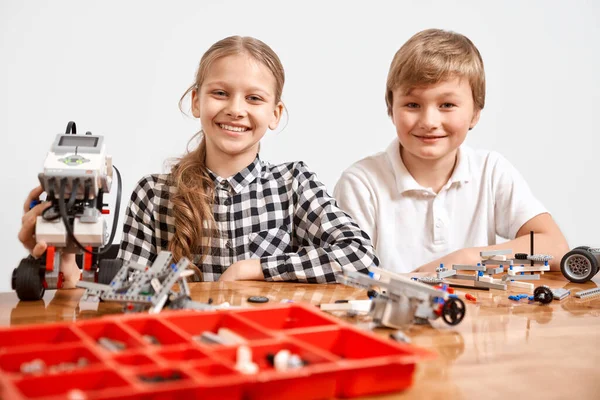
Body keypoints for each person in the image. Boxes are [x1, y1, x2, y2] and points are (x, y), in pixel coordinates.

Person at [19, 36, 378, 285]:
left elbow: (360, 256)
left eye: (254, 98)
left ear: (275, 113)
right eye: (220, 93)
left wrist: (255, 268)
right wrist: (66, 260)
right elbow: (124, 298)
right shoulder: (153, 195)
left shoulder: (293, 184)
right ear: (196, 101)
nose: (236, 109)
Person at [334, 29, 569, 273]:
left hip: (474, 311)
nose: (429, 121)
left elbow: (554, 245)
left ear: (475, 113)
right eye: (412, 104)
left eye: (447, 105)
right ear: (391, 109)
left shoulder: (491, 171)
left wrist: (466, 258)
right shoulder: (361, 183)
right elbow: (348, 277)